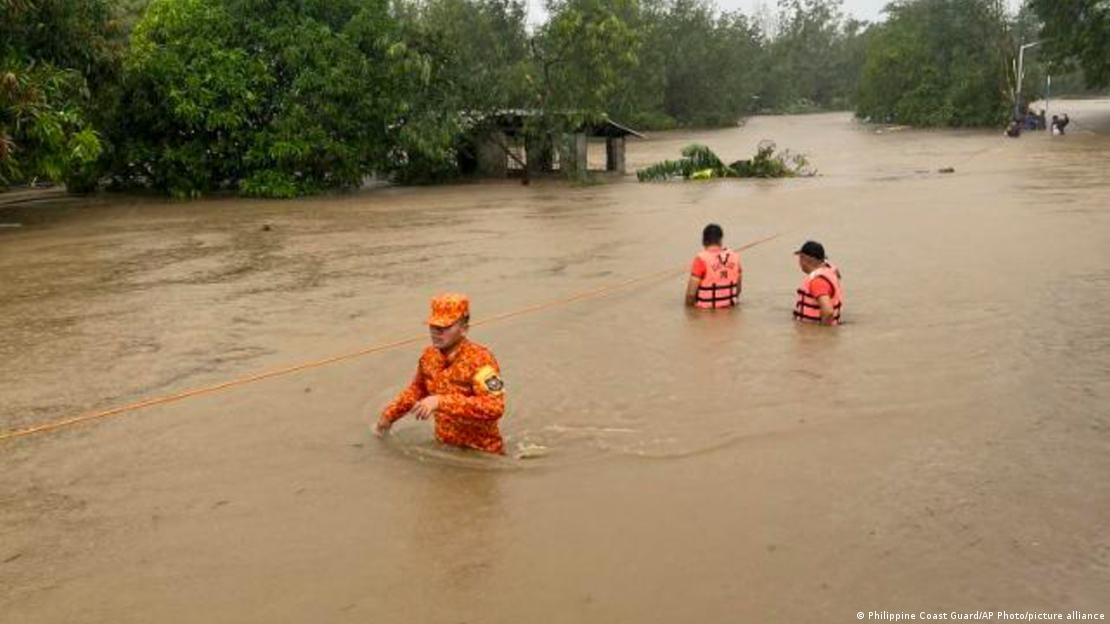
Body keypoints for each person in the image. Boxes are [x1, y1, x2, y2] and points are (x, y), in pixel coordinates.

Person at [375, 293, 506, 454]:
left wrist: (441, 401)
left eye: (445, 327)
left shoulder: (482, 360)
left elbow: (495, 407)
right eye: (434, 326)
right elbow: (417, 390)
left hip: (483, 454)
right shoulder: (429, 357)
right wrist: (388, 416)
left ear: (464, 329)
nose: (437, 332)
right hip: (445, 449)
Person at [685, 223, 742, 309]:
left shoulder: (701, 259)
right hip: (729, 311)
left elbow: (690, 295)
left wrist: (689, 312)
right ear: (720, 240)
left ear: (703, 241)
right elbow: (738, 290)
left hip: (705, 314)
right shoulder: (735, 257)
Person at [793, 240, 843, 326]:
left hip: (813, 334)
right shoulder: (830, 269)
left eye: (801, 257)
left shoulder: (817, 281)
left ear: (805, 259)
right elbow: (837, 272)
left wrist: (820, 335)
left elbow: (828, 312)